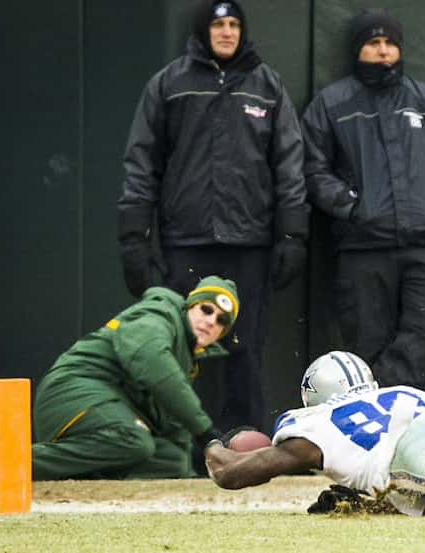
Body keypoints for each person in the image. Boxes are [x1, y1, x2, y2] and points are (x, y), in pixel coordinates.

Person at [205, 189, 425, 515]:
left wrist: (217, 445)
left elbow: (230, 474)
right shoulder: (393, 394)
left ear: (313, 398)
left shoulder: (313, 427)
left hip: (409, 455)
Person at [117, 0, 309, 431]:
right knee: (183, 343)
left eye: (234, 25)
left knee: (245, 346)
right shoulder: (169, 84)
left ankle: (242, 441)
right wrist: (134, 239)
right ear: (203, 32)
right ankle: (184, 445)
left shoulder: (267, 85)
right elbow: (141, 162)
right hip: (186, 240)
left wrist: (293, 236)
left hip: (250, 244)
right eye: (219, 25)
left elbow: (290, 164)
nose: (227, 32)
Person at [301, 8, 425, 390]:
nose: (382, 51)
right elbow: (313, 170)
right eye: (373, 43)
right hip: (362, 248)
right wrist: (353, 207)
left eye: (389, 43)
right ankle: (379, 429)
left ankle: (387, 398)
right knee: (366, 346)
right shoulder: (331, 104)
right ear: (357, 49)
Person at [32, 276, 239, 480]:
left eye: (221, 320)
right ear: (190, 306)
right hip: (70, 394)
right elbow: (153, 363)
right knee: (133, 439)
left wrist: (188, 476)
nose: (211, 321)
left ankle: (83, 479)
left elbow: (175, 422)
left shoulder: (187, 357)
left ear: (222, 333)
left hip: (106, 412)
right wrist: (206, 433)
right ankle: (19, 463)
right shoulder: (159, 314)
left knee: (172, 459)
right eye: (206, 309)